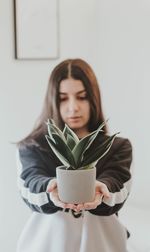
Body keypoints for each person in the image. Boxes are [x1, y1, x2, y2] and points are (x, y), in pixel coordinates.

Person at [16, 58, 132, 252]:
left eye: (82, 96)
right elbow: (30, 183)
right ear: (52, 99)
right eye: (63, 98)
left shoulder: (117, 146)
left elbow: (118, 185)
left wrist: (102, 191)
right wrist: (50, 188)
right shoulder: (33, 147)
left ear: (93, 98)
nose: (73, 107)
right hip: (46, 245)